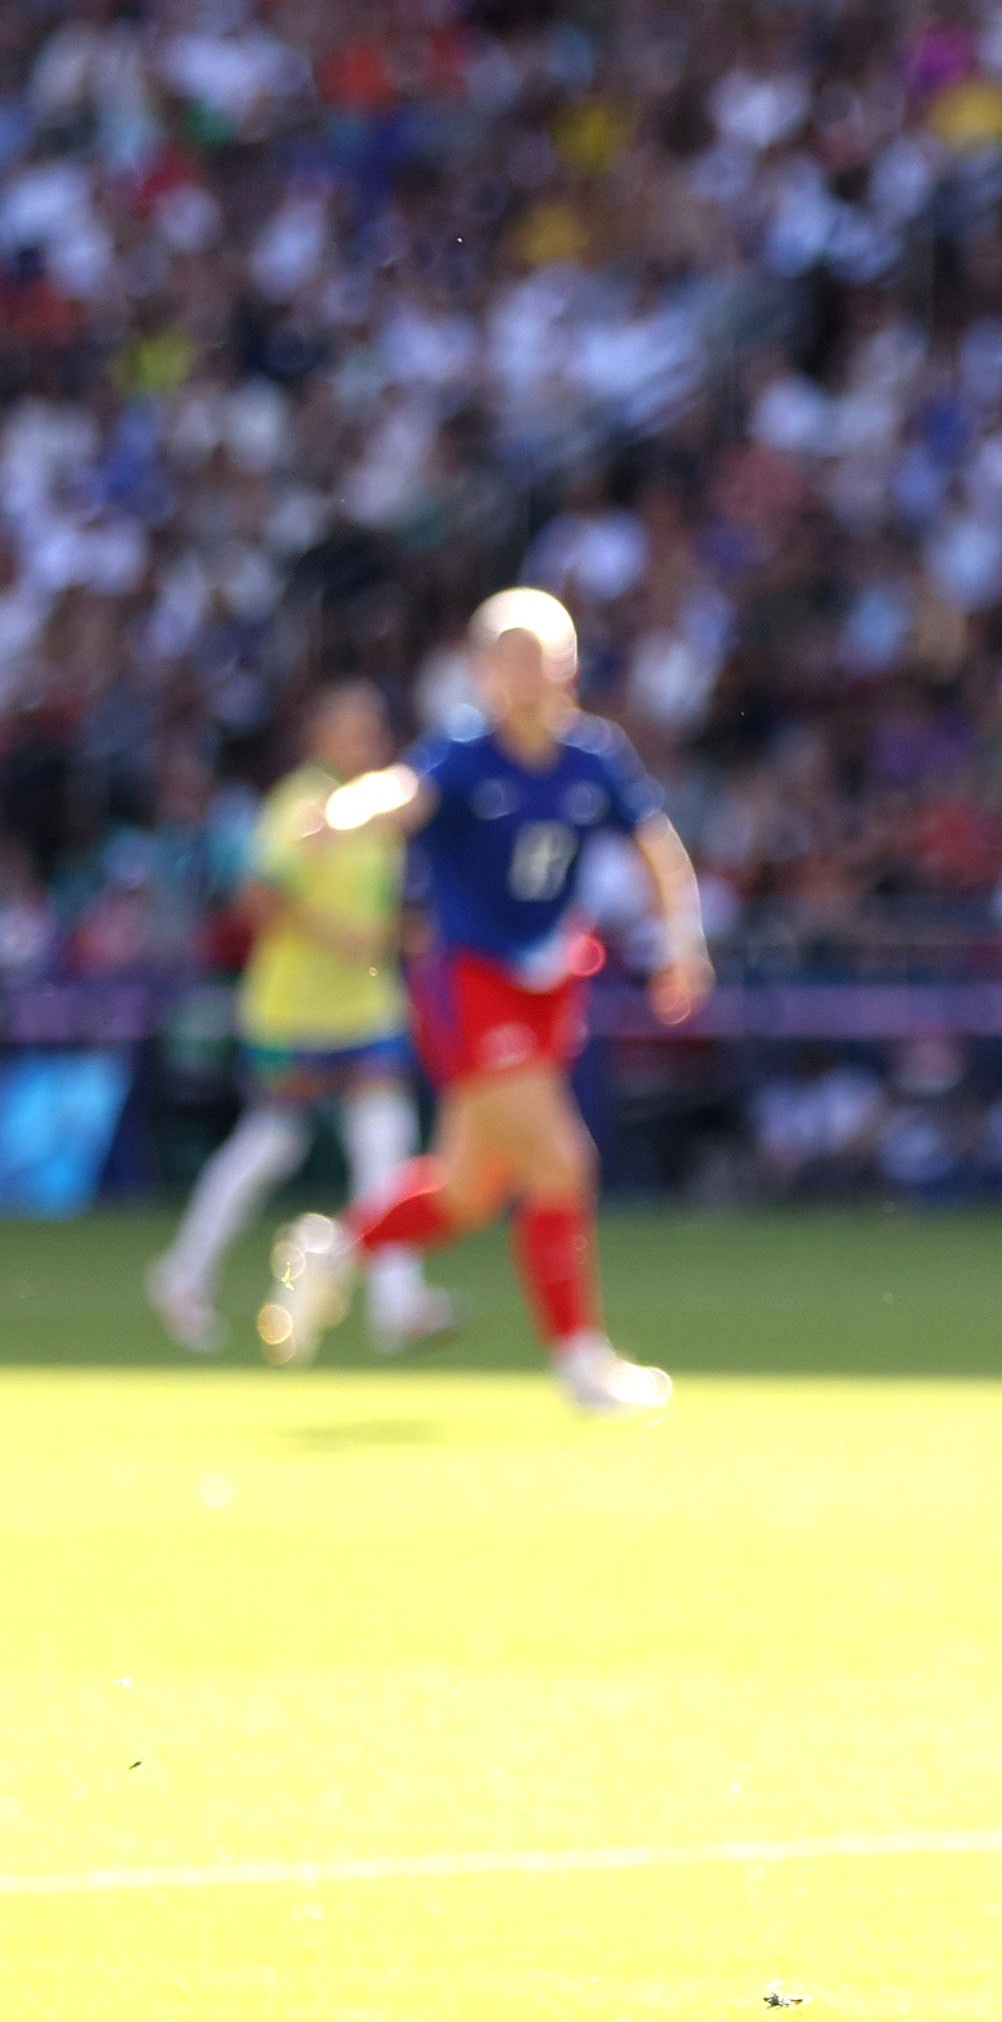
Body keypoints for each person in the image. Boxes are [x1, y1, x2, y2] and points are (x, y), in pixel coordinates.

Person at [261, 592, 705, 1413]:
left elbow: (655, 846)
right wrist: (342, 813)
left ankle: (335, 1249)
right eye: (512, 658)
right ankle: (581, 1361)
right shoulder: (466, 755)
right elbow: (397, 794)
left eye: (542, 656)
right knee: (561, 1163)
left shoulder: (593, 758)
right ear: (483, 671)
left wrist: (681, 940)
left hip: (545, 984)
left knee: (468, 1191)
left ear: (570, 666)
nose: (529, 676)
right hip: (470, 983)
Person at [150, 686, 446, 1354]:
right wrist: (336, 936)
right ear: (319, 736)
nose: (361, 740)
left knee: (385, 1137)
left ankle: (398, 1302)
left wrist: (404, 935)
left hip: (366, 1008)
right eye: (347, 727)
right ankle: (183, 1271)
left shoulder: (383, 808)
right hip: (292, 1013)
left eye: (370, 728)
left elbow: (386, 908)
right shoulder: (300, 804)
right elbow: (256, 897)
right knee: (272, 1145)